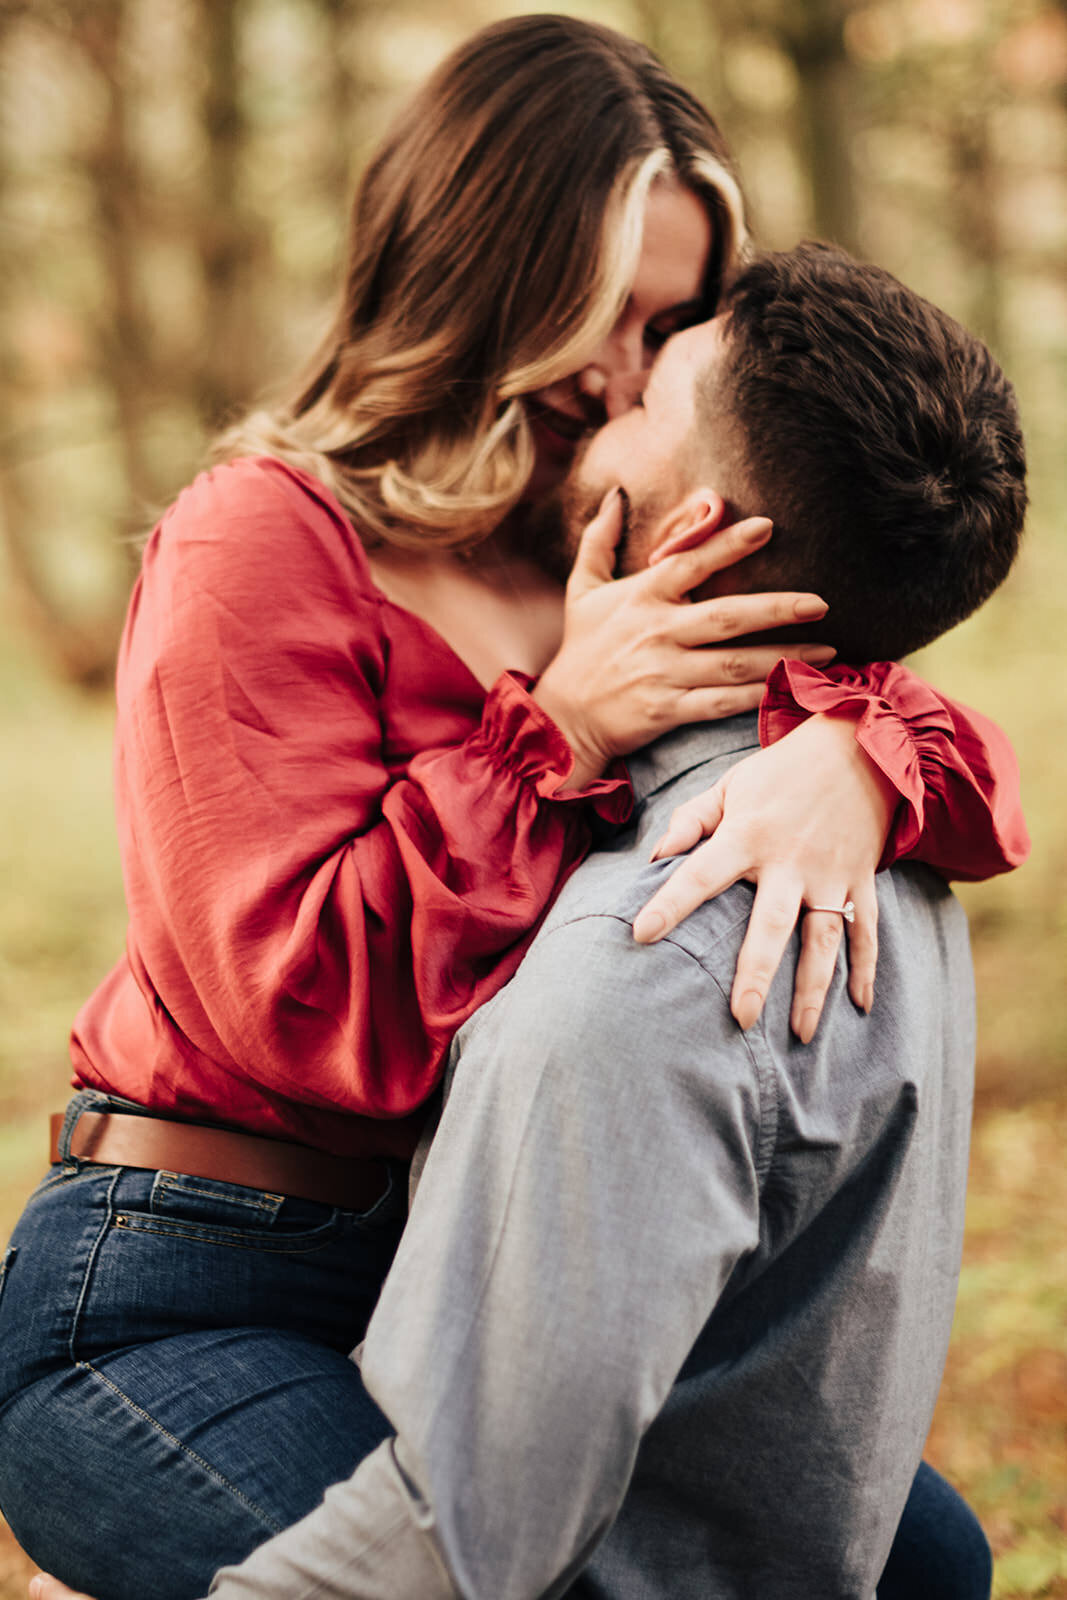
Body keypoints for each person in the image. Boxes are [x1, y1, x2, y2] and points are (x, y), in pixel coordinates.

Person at [0, 16, 1024, 1600]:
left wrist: (860, 763)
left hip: (477, 1274)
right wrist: (548, 731)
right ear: (474, 272)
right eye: (603, 310)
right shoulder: (258, 543)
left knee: (925, 1562)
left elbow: (904, 679)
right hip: (193, 1272)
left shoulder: (604, 538)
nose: (625, 367)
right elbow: (301, 1009)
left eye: (674, 319)